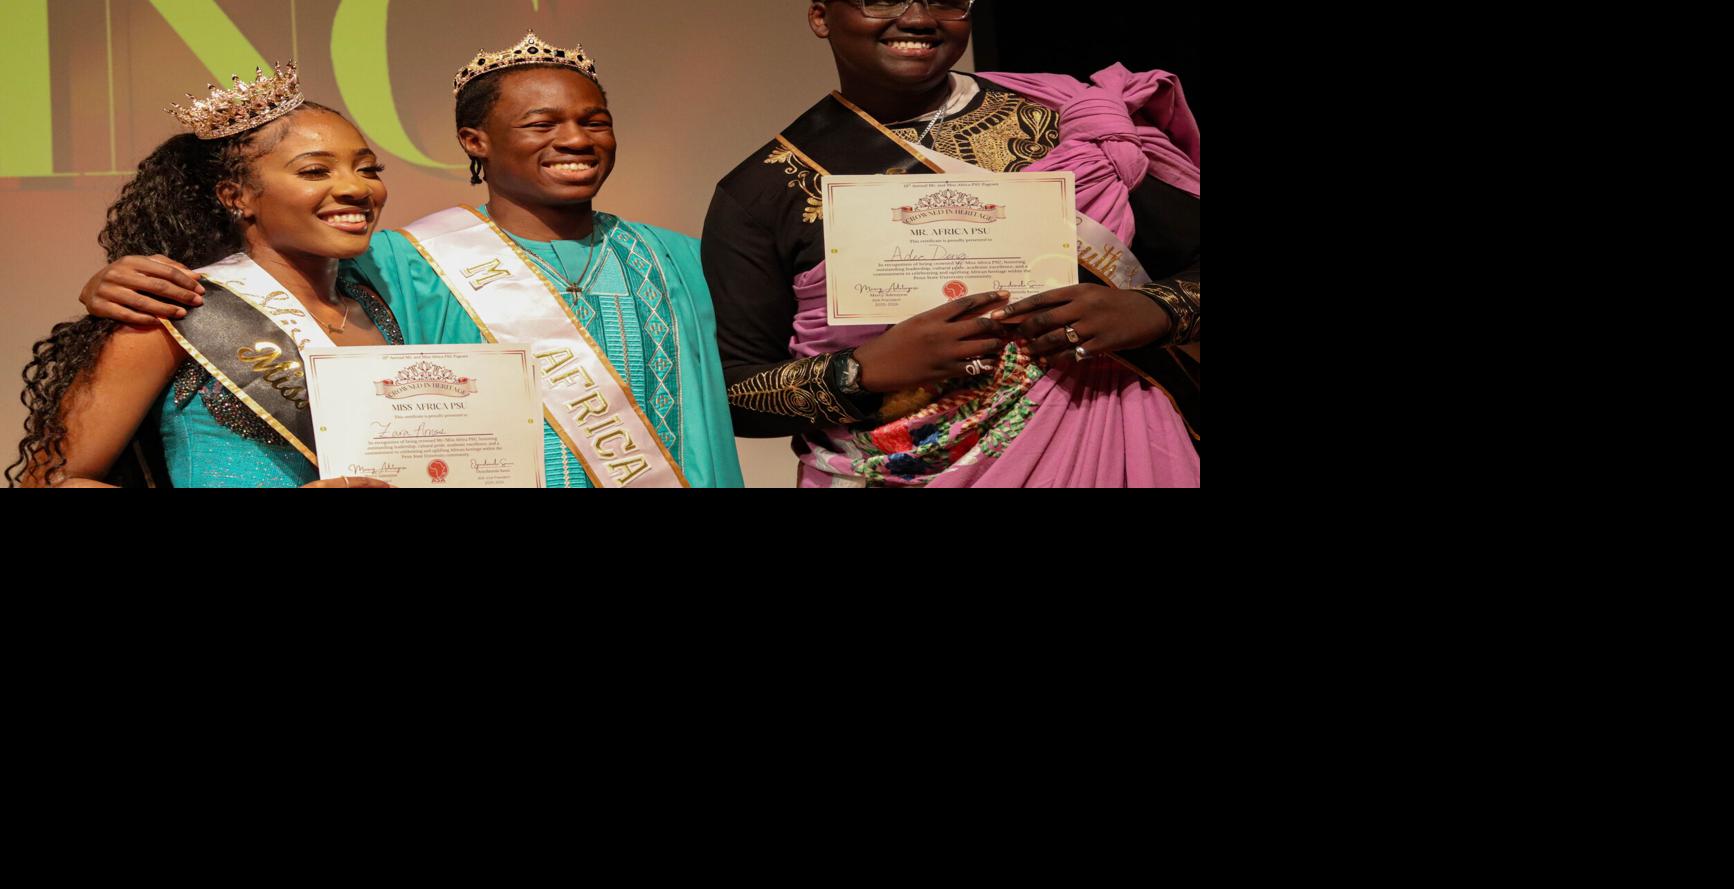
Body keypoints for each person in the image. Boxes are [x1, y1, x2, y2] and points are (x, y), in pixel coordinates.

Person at [77, 34, 742, 489]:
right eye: (541, 124)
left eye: (367, 169)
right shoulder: (405, 264)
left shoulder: (682, 256)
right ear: (474, 141)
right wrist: (111, 281)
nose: (573, 138)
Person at [702, 0, 1201, 487]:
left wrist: (1154, 310)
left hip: (1103, 444)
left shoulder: (1067, 128)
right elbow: (732, 395)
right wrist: (860, 372)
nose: (918, 18)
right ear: (821, 15)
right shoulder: (764, 189)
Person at [8, 64, 400, 488]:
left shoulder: (376, 308)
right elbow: (49, 480)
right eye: (314, 171)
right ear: (236, 196)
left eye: (368, 169)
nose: (358, 189)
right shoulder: (176, 309)